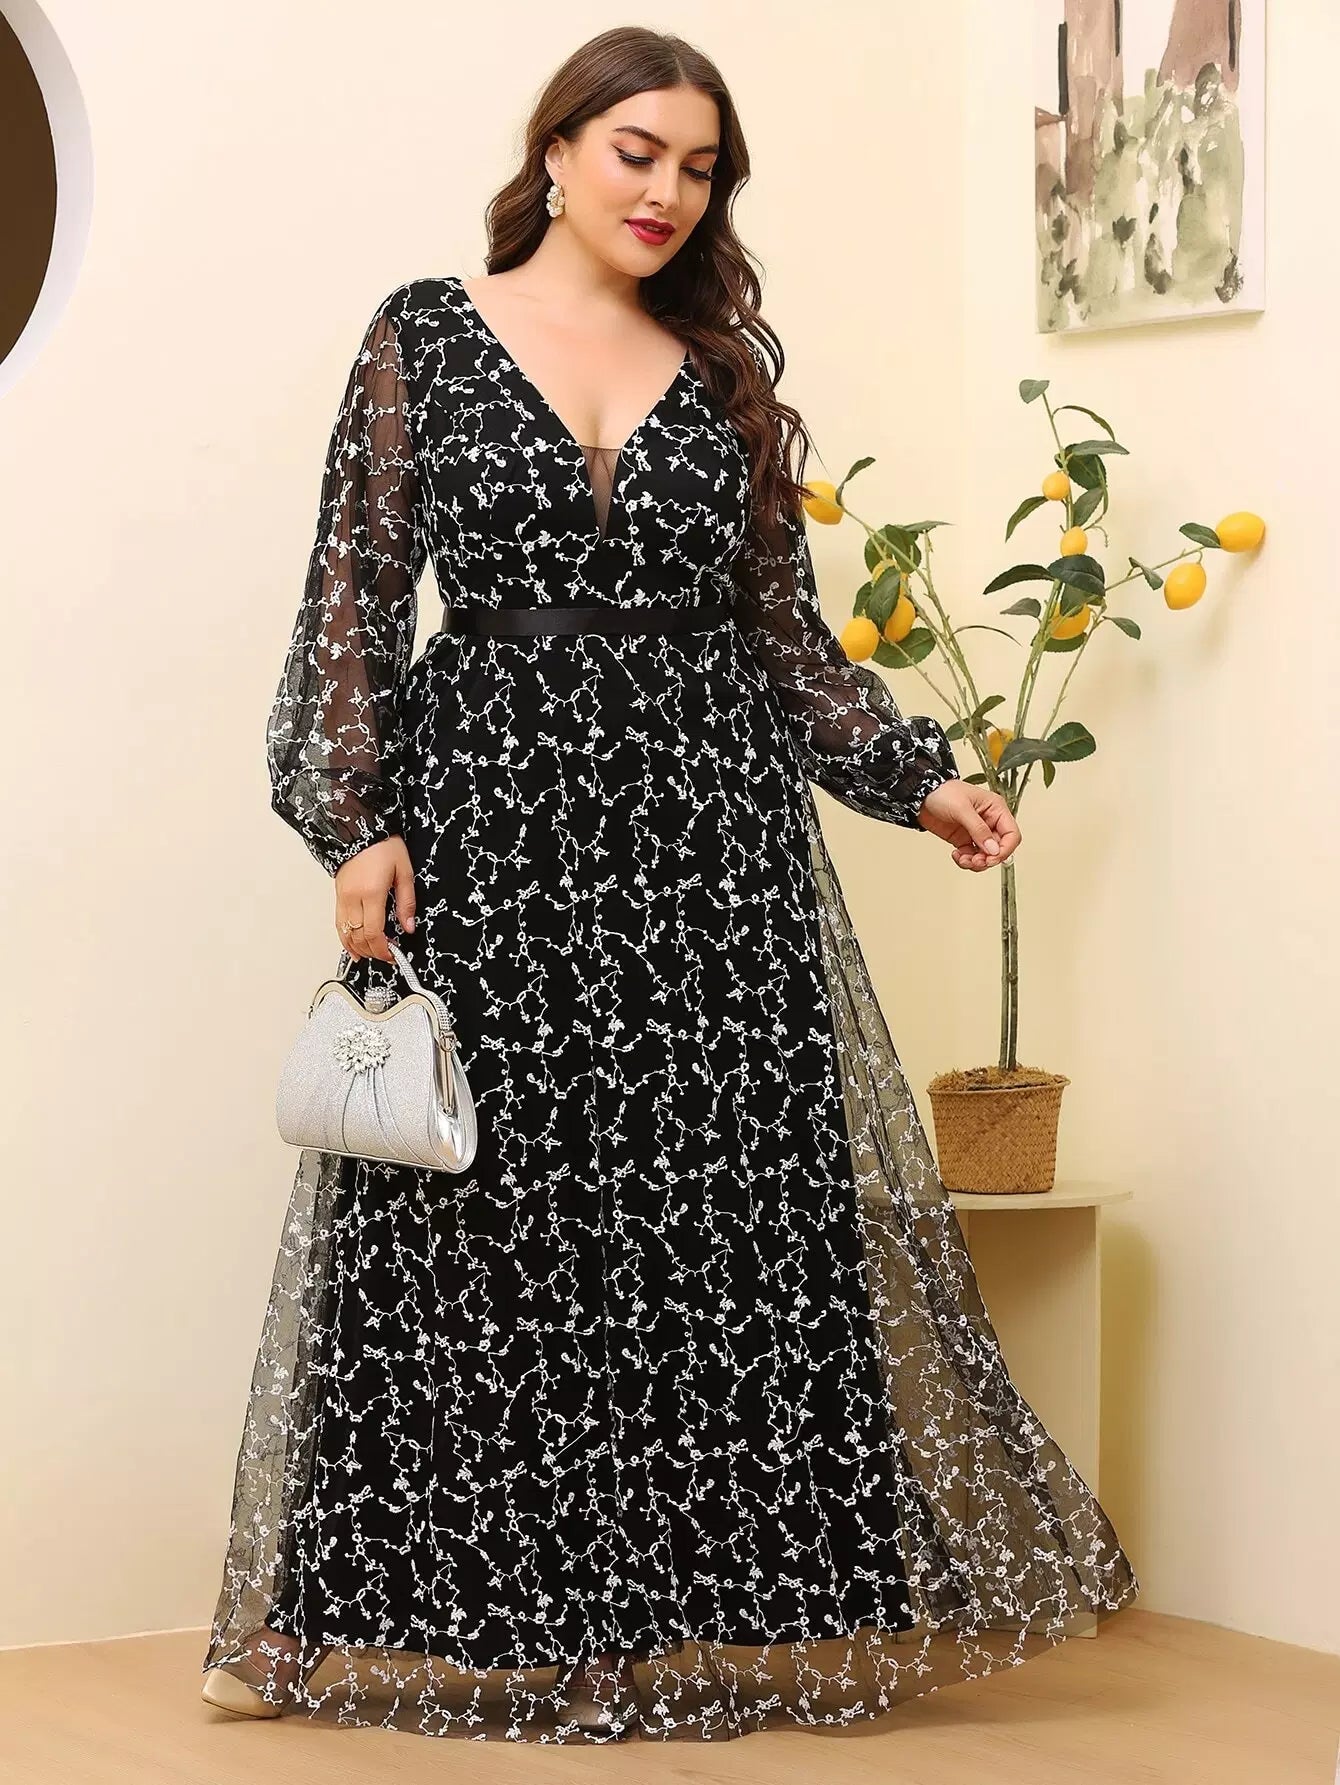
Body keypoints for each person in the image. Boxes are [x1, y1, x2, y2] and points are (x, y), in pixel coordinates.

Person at [200, 24, 1136, 1746]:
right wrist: (355, 820)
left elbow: (784, 641)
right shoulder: (424, 333)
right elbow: (354, 593)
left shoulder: (720, 374)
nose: (666, 192)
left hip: (709, 850)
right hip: (491, 831)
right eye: (637, 151)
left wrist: (918, 777)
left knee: (704, 1215)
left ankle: (658, 1614)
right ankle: (368, 1609)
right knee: (483, 1219)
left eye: (699, 169)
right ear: (555, 149)